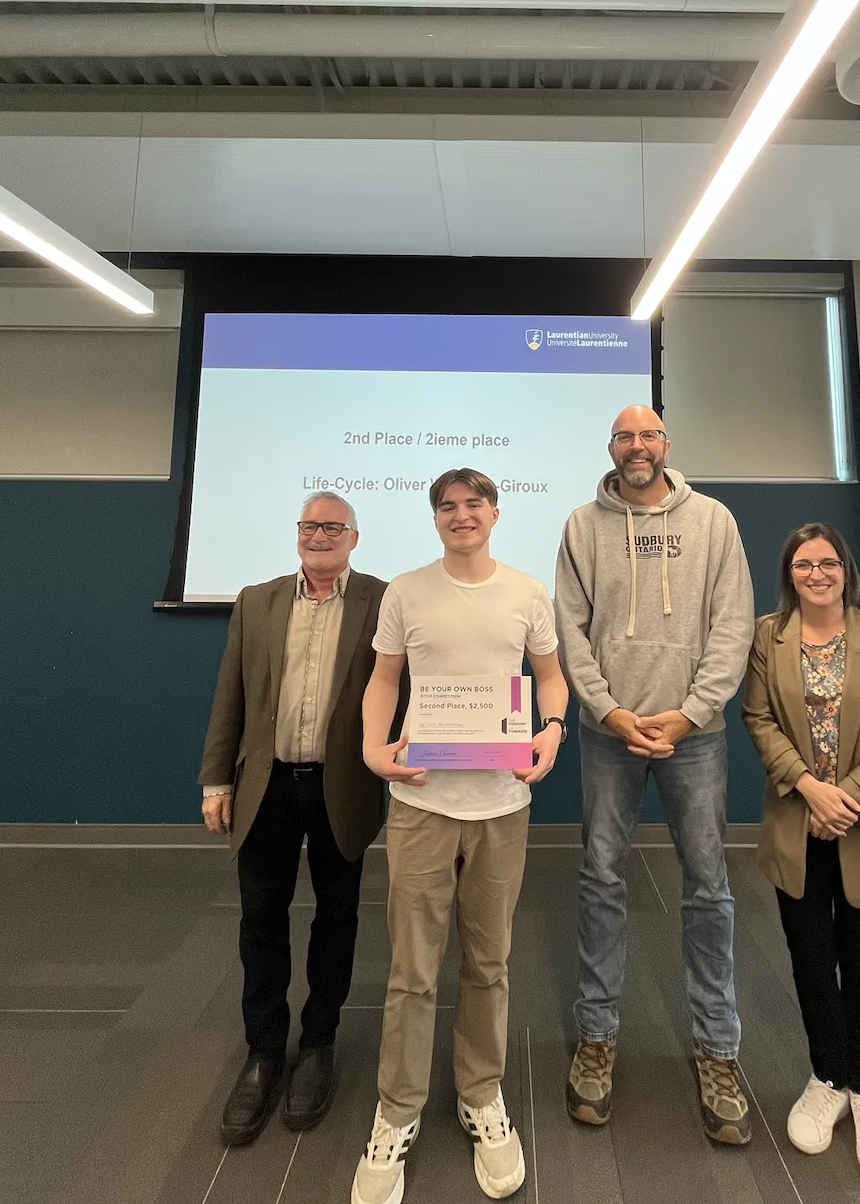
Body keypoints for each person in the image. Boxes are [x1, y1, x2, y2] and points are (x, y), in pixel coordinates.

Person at [351, 468, 569, 1204]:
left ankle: (481, 1094)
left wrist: (552, 729)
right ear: (435, 518)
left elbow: (550, 677)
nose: (461, 515)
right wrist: (372, 747)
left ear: (496, 514)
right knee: (412, 969)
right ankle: (397, 1110)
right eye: (447, 506)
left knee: (489, 963)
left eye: (474, 504)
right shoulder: (406, 591)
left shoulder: (526, 592)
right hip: (420, 802)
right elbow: (385, 679)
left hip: (502, 806)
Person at [555, 404, 755, 1142]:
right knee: (601, 879)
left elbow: (733, 626)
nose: (636, 446)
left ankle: (718, 1048)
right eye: (624, 437)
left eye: (648, 435)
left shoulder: (714, 522)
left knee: (708, 888)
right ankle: (596, 1038)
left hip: (693, 737)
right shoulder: (582, 526)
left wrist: (691, 713)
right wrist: (608, 710)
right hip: (608, 734)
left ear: (666, 444)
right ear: (610, 448)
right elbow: (569, 629)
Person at [200, 493, 400, 1146]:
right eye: (310, 525)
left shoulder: (382, 600)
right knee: (260, 920)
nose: (320, 535)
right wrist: (216, 779)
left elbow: (404, 690)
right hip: (266, 786)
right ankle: (263, 1052)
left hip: (344, 787)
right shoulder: (256, 601)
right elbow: (230, 694)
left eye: (333, 527)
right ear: (297, 534)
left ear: (354, 538)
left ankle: (317, 1044)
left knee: (337, 919)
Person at [742, 522, 860, 1188]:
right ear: (789, 574)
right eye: (802, 564)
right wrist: (810, 788)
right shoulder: (768, 638)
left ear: (847, 570)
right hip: (798, 821)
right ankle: (829, 1078)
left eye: (827, 563)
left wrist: (844, 801)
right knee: (812, 961)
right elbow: (758, 719)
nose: (815, 574)